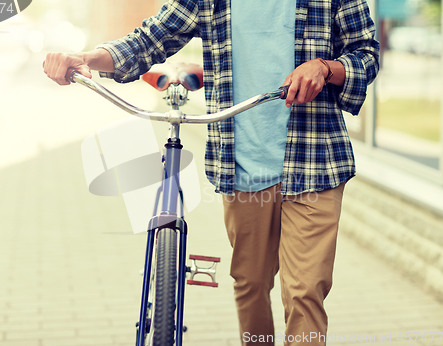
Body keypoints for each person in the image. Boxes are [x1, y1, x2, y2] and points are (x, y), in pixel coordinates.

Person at [44, 0, 379, 345]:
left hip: (315, 162)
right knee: (251, 285)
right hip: (243, 164)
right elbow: (148, 40)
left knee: (304, 292)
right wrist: (85, 58)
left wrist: (325, 67)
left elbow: (366, 54)